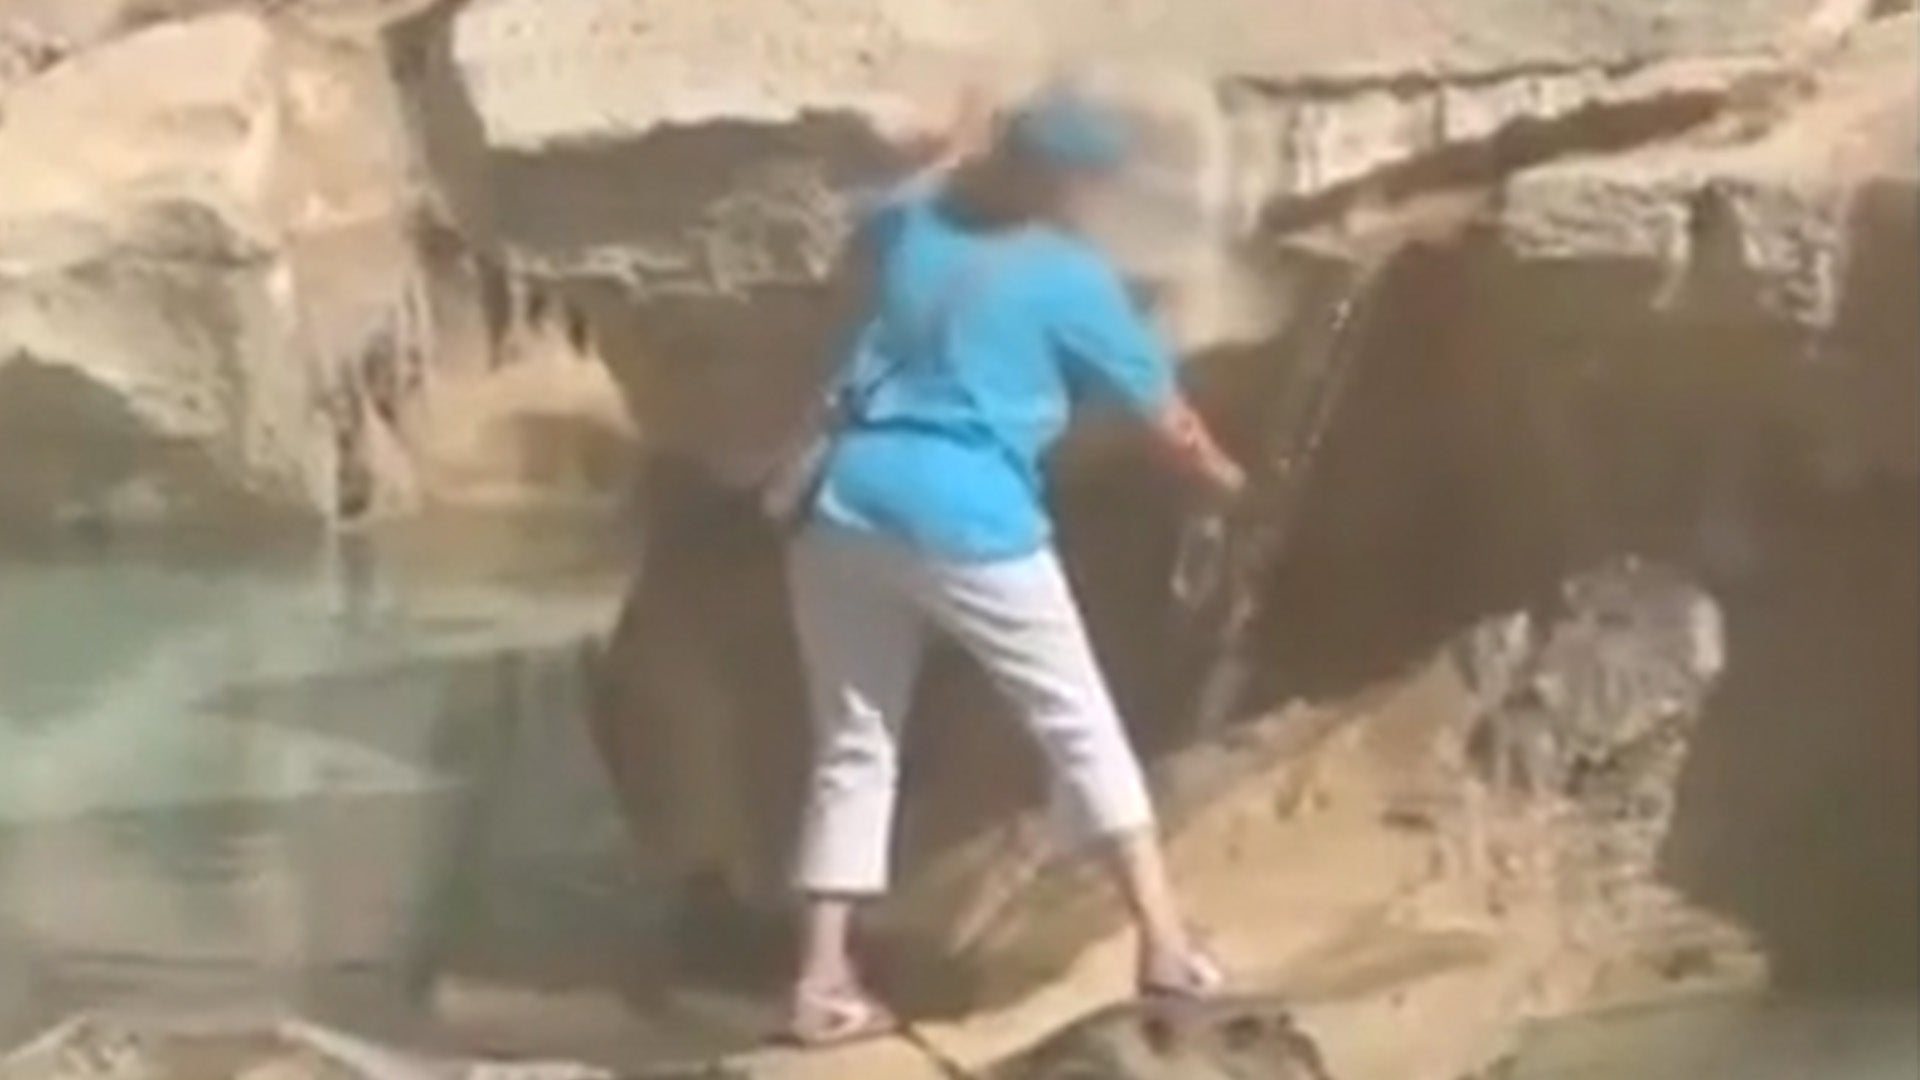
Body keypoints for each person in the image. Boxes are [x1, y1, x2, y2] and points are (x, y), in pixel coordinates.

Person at [782, 81, 1248, 1046]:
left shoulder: (912, 225)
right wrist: (1228, 482)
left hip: (844, 501)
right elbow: (1169, 419)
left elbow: (915, 191)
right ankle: (1165, 944)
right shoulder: (1068, 279)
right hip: (969, 517)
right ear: (1074, 183)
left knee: (855, 744)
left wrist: (966, 142)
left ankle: (822, 982)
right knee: (1077, 720)